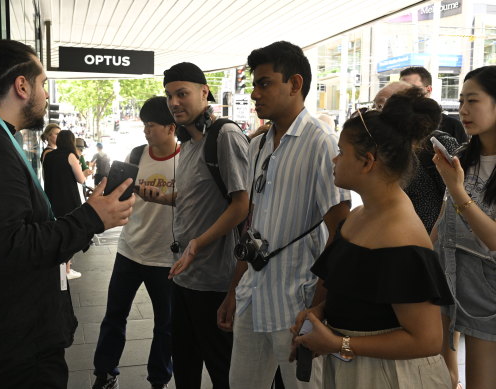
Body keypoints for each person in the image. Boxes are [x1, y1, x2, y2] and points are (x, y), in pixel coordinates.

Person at [0, 38, 135, 389]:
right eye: (43, 84)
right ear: (22, 86)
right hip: (14, 351)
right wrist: (92, 218)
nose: (46, 95)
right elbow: (9, 246)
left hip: (14, 337)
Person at [290, 88, 453, 388]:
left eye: (342, 151)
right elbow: (357, 293)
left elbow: (427, 340)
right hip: (354, 369)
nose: (334, 159)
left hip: (390, 376)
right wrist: (320, 312)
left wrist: (340, 344)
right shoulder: (359, 215)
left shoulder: (401, 235)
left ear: (367, 161)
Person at [217, 41, 350, 389]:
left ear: (294, 84)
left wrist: (319, 310)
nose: (255, 93)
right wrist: (233, 290)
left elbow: (340, 233)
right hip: (252, 296)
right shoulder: (259, 144)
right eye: (253, 85)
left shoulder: (321, 144)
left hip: (296, 302)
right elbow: (251, 226)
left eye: (264, 83)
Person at [139, 62, 249, 389]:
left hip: (215, 281)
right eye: (170, 95)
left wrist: (197, 243)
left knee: (221, 368)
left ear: (204, 92)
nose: (174, 102)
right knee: (184, 364)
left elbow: (241, 204)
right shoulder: (187, 145)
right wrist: (160, 197)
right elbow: (195, 197)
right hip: (183, 275)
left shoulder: (225, 135)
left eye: (182, 93)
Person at [92, 96, 179, 389]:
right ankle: (104, 374)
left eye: (151, 125)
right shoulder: (138, 153)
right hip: (129, 250)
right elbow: (122, 193)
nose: (146, 131)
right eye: (144, 125)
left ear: (170, 127)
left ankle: (159, 380)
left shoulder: (186, 159)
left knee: (165, 325)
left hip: (165, 258)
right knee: (114, 315)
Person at [432, 65, 496, 389]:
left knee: (481, 382)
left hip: (488, 292)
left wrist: (457, 189)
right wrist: (425, 252)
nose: (463, 110)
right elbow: (447, 216)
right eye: (460, 101)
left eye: (473, 101)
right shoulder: (463, 154)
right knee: (444, 376)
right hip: (448, 273)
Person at [374, 81, 461, 232]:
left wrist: (431, 244)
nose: (378, 114)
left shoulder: (439, 144)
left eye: (382, 106)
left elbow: (455, 200)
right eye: (376, 107)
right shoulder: (384, 147)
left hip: (429, 238)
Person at [43, 129, 88, 279]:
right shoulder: (71, 156)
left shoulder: (49, 156)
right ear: (71, 142)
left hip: (51, 198)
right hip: (68, 199)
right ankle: (66, 270)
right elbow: (81, 179)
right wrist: (85, 172)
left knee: (58, 233)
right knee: (70, 233)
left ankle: (63, 268)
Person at [400, 66, 468, 144]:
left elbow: (463, 155)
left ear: (428, 89)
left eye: (412, 88)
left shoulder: (452, 126)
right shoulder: (392, 124)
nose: (405, 93)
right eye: (401, 88)